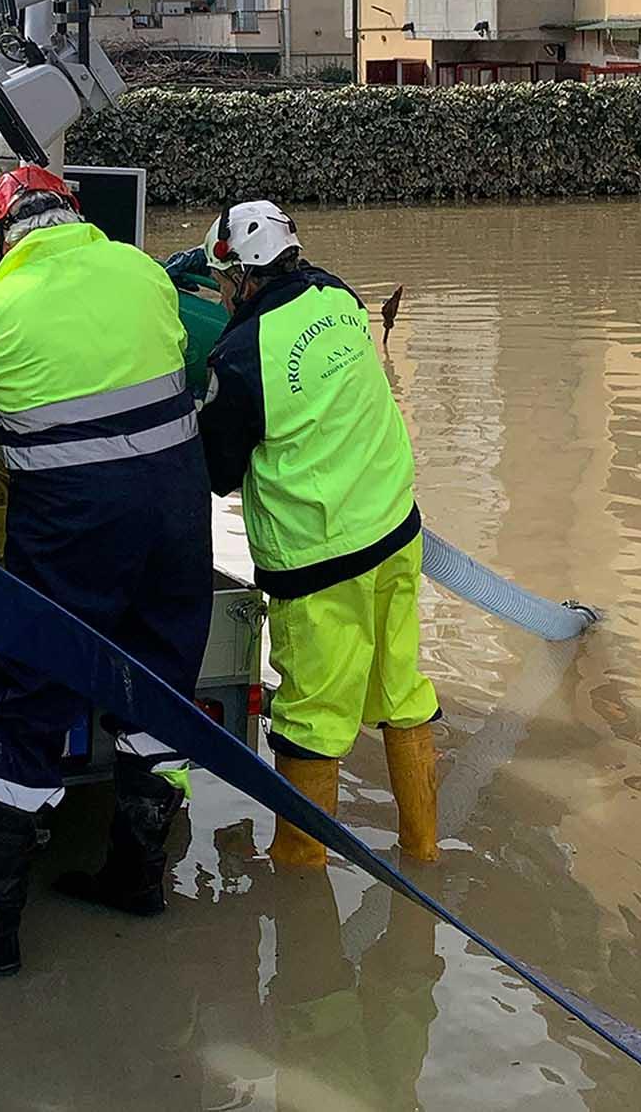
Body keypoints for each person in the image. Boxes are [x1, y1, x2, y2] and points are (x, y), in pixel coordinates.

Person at [0, 165, 212, 975]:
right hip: (180, 512)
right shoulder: (143, 271)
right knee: (162, 682)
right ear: (73, 211)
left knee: (33, 698)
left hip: (78, 522)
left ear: (2, 235)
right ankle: (137, 875)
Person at [193, 200, 441, 867]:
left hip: (319, 564)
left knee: (309, 721)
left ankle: (300, 879)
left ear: (242, 278)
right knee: (402, 692)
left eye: (222, 285)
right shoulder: (337, 294)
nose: (219, 298)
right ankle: (424, 850)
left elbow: (217, 471)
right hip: (394, 532)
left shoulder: (239, 357)